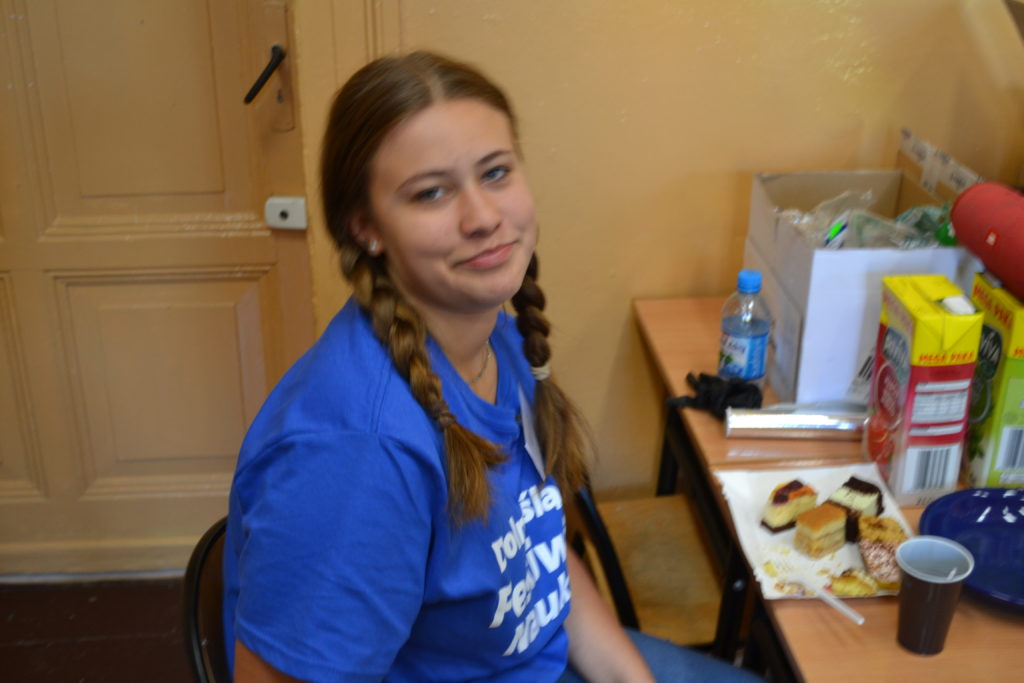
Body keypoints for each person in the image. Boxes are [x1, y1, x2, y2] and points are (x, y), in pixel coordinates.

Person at [222, 50, 762, 682]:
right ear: (366, 227)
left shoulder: (495, 341)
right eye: (431, 192)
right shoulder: (360, 456)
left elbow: (539, 557)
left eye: (496, 172)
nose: (482, 217)